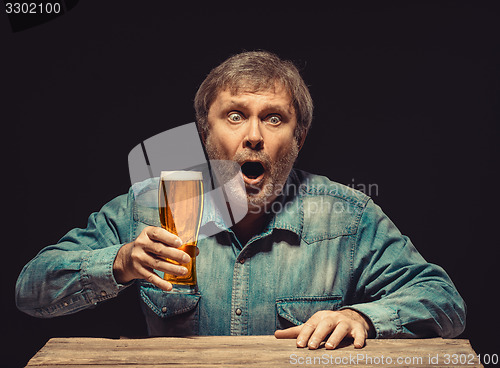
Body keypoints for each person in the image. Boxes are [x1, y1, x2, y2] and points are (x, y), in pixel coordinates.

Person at [16, 51, 466, 350]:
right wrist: (119, 262)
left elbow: (444, 301)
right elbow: (31, 290)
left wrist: (363, 318)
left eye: (274, 118)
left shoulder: (347, 216)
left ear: (299, 138)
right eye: (235, 116)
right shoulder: (151, 206)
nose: (253, 136)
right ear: (204, 134)